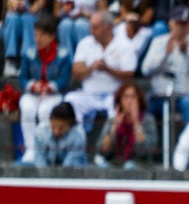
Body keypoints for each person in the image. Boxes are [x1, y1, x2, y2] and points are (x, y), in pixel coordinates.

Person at [64, 10, 136, 130]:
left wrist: (107, 69)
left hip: (114, 95)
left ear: (108, 28)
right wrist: (92, 68)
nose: (91, 31)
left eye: (96, 28)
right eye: (91, 27)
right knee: (70, 101)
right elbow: (75, 72)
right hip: (88, 94)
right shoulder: (85, 43)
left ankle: (112, 143)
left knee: (120, 108)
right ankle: (78, 142)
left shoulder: (125, 44)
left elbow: (129, 75)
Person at [141, 5, 189, 124]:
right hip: (161, 96)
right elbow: (145, 70)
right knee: (142, 104)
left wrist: (187, 54)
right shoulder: (159, 42)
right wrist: (164, 55)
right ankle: (147, 141)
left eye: (184, 24)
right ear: (170, 24)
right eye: (178, 23)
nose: (180, 28)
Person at [17, 14, 71, 162]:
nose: (37, 39)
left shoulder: (63, 55)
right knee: (27, 108)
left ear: (52, 36)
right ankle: (30, 148)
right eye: (35, 34)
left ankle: (44, 148)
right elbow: (22, 78)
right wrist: (32, 85)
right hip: (33, 92)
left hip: (53, 93)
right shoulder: (29, 53)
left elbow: (64, 80)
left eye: (41, 35)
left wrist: (50, 87)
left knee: (45, 111)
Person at [2, 0, 48, 72]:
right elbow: (10, 8)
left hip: (33, 21)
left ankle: (26, 59)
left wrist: (25, 6)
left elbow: (35, 9)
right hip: (12, 24)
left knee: (26, 17)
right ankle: (10, 60)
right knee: (13, 17)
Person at [96, 80, 157, 167]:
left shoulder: (148, 120)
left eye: (133, 97)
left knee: (129, 166)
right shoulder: (112, 120)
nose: (129, 101)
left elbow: (146, 152)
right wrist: (114, 127)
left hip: (140, 164)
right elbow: (103, 150)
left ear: (139, 99)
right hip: (115, 162)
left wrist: (136, 123)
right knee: (102, 166)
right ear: (119, 101)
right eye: (125, 97)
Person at [29, 100, 88, 166]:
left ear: (71, 124)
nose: (56, 132)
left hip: (74, 173)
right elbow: (39, 159)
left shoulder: (79, 136)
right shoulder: (40, 132)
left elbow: (68, 166)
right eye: (53, 127)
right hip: (48, 171)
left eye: (61, 128)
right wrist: (44, 174)